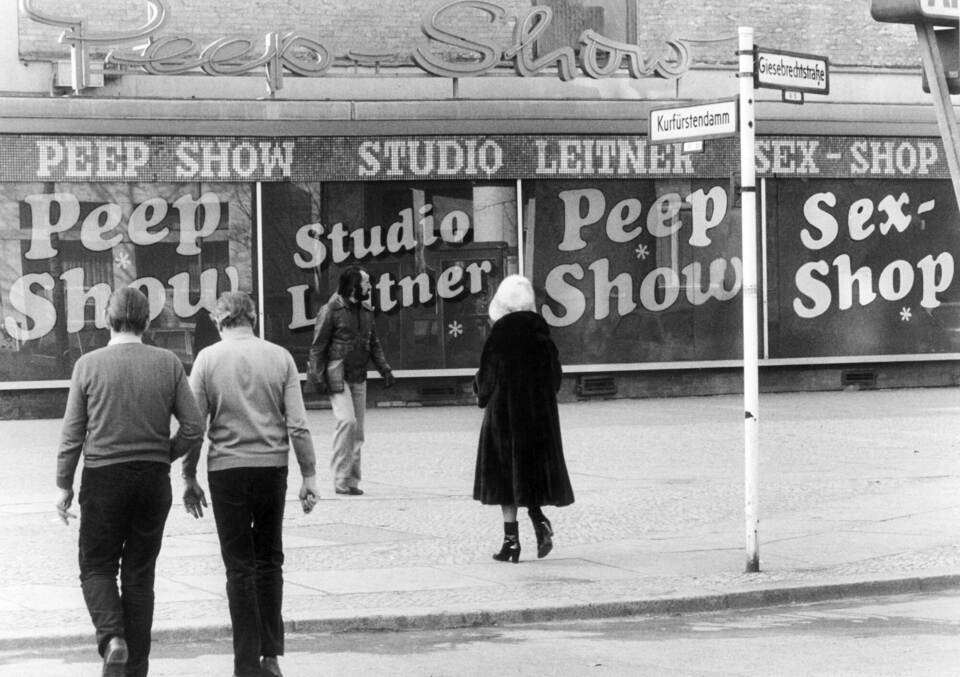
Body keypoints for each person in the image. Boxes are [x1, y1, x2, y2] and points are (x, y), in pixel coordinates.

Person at [55, 287, 204, 677]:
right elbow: (193, 426)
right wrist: (165, 455)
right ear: (147, 321)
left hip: (104, 478)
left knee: (97, 566)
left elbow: (72, 434)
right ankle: (136, 667)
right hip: (153, 481)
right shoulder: (168, 363)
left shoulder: (88, 365)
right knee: (140, 574)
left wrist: (64, 486)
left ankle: (112, 639)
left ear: (108, 318)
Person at [181, 291, 318, 677]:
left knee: (238, 566)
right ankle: (271, 654)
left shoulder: (207, 359)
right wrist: (309, 474)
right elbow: (298, 424)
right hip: (272, 467)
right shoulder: (281, 358)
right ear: (253, 318)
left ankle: (245, 662)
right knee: (270, 559)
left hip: (225, 470)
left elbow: (194, 427)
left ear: (220, 320)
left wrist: (189, 476)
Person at [473, 274, 574, 563]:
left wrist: (479, 392)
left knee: (506, 478)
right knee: (529, 472)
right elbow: (555, 379)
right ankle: (538, 518)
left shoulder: (499, 337)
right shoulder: (543, 336)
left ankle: (511, 543)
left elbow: (487, 381)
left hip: (504, 417)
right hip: (538, 418)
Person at [307, 265, 395, 496]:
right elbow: (317, 347)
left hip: (359, 375)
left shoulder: (366, 310)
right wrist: (317, 377)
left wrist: (385, 369)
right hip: (338, 375)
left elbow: (373, 342)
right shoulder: (331, 310)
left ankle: (351, 481)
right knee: (347, 421)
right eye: (366, 283)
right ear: (353, 286)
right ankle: (340, 478)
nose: (369, 286)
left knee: (358, 431)